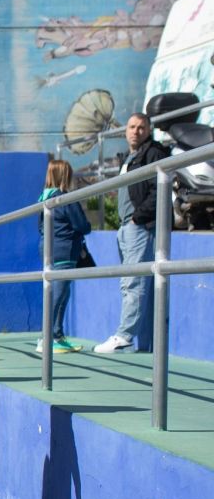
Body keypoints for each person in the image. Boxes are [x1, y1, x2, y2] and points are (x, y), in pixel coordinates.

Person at [94, 112, 170, 353]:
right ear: (125, 130)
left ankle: (124, 336)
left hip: (139, 227)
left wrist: (138, 219)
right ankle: (145, 343)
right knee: (135, 283)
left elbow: (158, 191)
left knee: (133, 283)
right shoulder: (130, 156)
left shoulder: (153, 154)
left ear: (148, 131)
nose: (135, 131)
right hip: (126, 227)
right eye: (132, 127)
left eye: (141, 127)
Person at [38, 160, 92, 354]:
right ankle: (46, 337)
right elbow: (82, 225)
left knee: (60, 293)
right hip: (65, 250)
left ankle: (56, 335)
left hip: (47, 249)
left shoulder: (44, 199)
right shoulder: (65, 199)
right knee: (59, 294)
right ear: (66, 176)